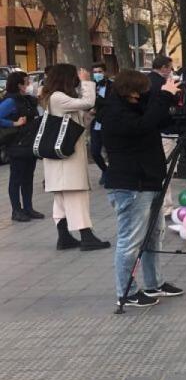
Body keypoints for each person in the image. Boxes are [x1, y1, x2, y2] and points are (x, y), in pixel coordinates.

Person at [104, 69, 184, 307]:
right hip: (131, 186)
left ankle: (154, 283)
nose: (143, 96)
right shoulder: (115, 112)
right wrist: (164, 97)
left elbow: (157, 118)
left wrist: (170, 98)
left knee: (153, 237)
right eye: (141, 92)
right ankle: (126, 292)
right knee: (130, 241)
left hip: (149, 181)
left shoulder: (134, 107)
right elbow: (143, 124)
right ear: (129, 92)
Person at [40, 64, 110, 250]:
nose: (76, 81)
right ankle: (86, 236)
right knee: (77, 196)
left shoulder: (54, 98)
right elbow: (87, 102)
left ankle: (64, 237)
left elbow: (79, 121)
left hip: (60, 159)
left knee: (62, 199)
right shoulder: (58, 97)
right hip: (67, 161)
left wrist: (88, 116)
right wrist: (87, 83)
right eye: (74, 77)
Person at [0, 71, 42, 222]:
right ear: (19, 85)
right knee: (16, 178)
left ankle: (28, 208)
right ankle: (16, 210)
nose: (29, 84)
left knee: (28, 177)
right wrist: (14, 123)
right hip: (17, 144)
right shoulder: (11, 101)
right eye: (26, 82)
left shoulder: (27, 100)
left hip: (29, 144)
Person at [149, 56, 177, 217]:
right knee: (165, 171)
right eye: (170, 68)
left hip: (152, 132)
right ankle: (165, 207)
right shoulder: (162, 84)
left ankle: (160, 205)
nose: (170, 71)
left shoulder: (147, 81)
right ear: (164, 68)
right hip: (165, 132)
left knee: (158, 169)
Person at [89, 63, 111, 185]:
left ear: (105, 72)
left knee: (110, 151)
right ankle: (105, 170)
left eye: (100, 71)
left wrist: (97, 101)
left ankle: (111, 174)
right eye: (95, 72)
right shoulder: (92, 86)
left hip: (108, 123)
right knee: (95, 151)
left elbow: (110, 103)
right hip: (96, 123)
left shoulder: (111, 86)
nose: (97, 74)